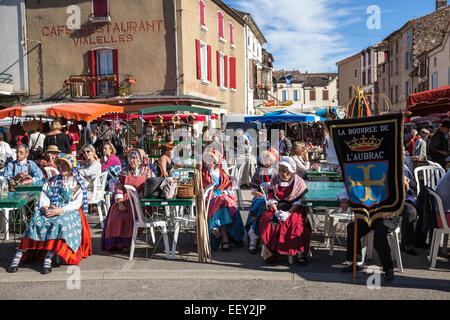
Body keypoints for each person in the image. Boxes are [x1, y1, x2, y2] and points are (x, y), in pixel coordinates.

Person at [7, 154, 92, 274]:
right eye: (61, 165)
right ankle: (20, 254)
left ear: (72, 167)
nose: (62, 168)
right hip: (50, 207)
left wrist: (60, 210)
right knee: (36, 220)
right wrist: (44, 207)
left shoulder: (79, 182)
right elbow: (44, 195)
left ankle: (49, 256)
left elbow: (77, 203)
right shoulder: (52, 180)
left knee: (58, 222)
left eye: (65, 165)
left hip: (68, 209)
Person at [259, 156, 311, 265]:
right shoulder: (275, 180)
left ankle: (299, 252)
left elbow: (299, 200)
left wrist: (288, 213)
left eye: (284, 170)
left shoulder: (298, 182)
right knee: (268, 220)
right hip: (277, 206)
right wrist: (276, 211)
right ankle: (270, 253)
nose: (282, 173)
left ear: (290, 171)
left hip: (294, 208)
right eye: (280, 170)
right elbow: (271, 198)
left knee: (296, 222)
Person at [101, 149, 155, 252]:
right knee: (115, 215)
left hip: (140, 201)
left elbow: (151, 187)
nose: (132, 161)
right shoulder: (125, 172)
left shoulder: (148, 172)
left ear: (140, 159)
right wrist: (120, 201)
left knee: (131, 216)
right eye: (130, 158)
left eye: (135, 158)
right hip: (124, 199)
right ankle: (116, 242)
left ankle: (128, 243)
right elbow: (119, 187)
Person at [202, 150, 245, 251]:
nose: (209, 161)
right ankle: (224, 236)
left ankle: (221, 233)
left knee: (227, 204)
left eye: (212, 159)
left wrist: (226, 192)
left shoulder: (222, 173)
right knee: (223, 203)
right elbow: (203, 188)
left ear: (217, 161)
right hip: (209, 197)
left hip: (222, 196)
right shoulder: (204, 173)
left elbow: (228, 187)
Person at [246, 148, 279, 254]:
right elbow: (253, 187)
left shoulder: (278, 171)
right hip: (261, 198)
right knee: (260, 204)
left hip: (274, 199)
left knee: (265, 208)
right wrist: (257, 193)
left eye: (267, 158)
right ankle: (253, 237)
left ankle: (262, 239)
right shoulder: (259, 171)